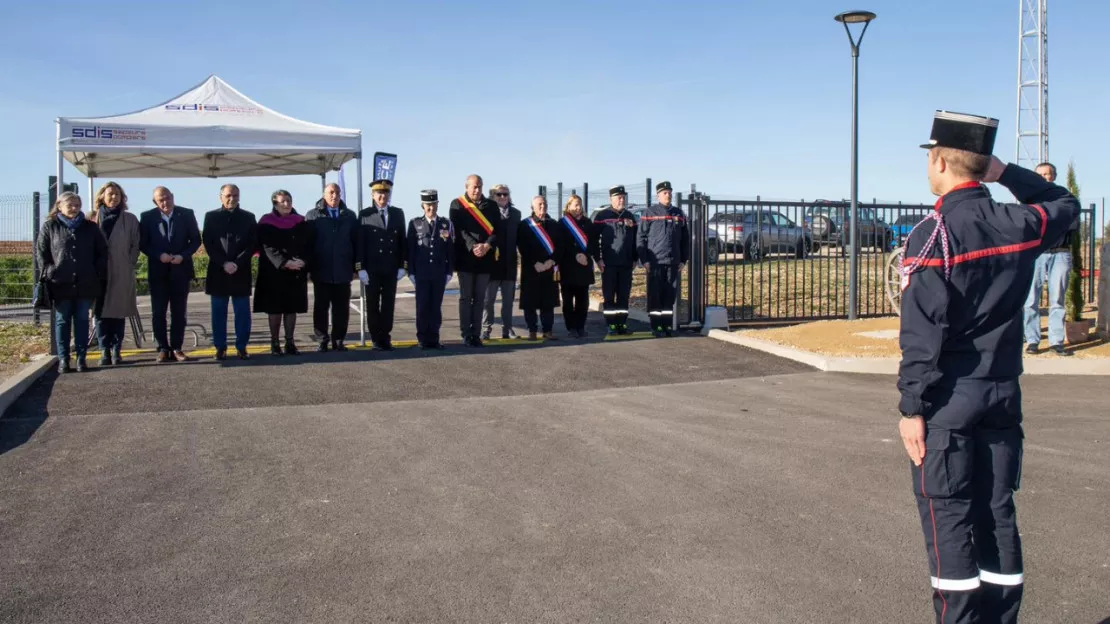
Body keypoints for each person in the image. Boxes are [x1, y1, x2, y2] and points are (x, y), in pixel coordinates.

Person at [897, 110, 1079, 624]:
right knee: (997, 514)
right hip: (1002, 396)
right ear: (982, 164)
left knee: (948, 517)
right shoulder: (1018, 224)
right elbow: (1066, 204)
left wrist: (911, 406)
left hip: (950, 403)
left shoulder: (933, 235)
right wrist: (1006, 174)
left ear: (939, 160)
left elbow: (922, 335)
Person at [36, 191, 108, 373]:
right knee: (62, 320)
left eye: (77, 205)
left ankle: (81, 358)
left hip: (86, 282)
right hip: (60, 283)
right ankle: (64, 359)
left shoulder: (90, 227)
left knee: (82, 320)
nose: (75, 209)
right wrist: (50, 271)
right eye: (71, 205)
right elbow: (41, 253)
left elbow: (102, 252)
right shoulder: (50, 227)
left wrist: (95, 270)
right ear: (59, 206)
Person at [139, 186, 201, 363]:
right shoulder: (147, 217)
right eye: (161, 200)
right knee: (158, 312)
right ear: (155, 202)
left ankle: (177, 348)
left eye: (167, 198)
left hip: (180, 270)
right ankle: (163, 348)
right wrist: (159, 255)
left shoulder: (186, 214)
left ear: (173, 197)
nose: (165, 202)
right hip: (158, 272)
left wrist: (183, 255)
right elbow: (143, 244)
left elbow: (196, 240)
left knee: (179, 313)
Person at [1022, 162, 1075, 356]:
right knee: (1030, 300)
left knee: (1057, 299)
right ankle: (1033, 340)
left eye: (1047, 174)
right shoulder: (1028, 200)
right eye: (1040, 174)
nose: (1044, 177)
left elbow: (1070, 224)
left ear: (1054, 176)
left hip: (1060, 252)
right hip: (1036, 254)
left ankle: (1056, 341)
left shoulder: (1064, 199)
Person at [203, 184, 258, 361]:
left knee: (242, 313)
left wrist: (237, 263)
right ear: (221, 197)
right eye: (228, 195)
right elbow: (209, 243)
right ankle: (220, 347)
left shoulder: (249, 217)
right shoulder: (211, 217)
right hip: (219, 272)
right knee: (219, 313)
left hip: (240, 271)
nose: (231, 199)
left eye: (235, 195)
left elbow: (252, 244)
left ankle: (242, 347)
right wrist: (224, 263)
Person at [254, 190, 312, 356]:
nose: (286, 204)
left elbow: (307, 244)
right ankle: (274, 343)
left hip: (295, 272)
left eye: (288, 200)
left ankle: (290, 342)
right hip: (274, 272)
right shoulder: (266, 222)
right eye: (282, 201)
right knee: (275, 309)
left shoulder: (300, 221)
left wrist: (302, 261)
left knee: (291, 308)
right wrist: (285, 262)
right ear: (275, 204)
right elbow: (266, 247)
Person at [91, 181, 140, 365]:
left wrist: (129, 262)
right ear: (102, 196)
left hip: (121, 271)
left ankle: (117, 350)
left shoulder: (130, 219)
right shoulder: (92, 219)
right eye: (110, 194)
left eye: (117, 194)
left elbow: (136, 244)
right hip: (99, 273)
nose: (114, 197)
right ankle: (104, 350)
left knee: (119, 313)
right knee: (101, 313)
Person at [305, 182, 358, 352]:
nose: (334, 196)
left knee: (341, 309)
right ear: (324, 194)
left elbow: (355, 242)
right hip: (321, 270)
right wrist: (309, 267)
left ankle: (339, 339)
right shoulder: (313, 215)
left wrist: (356, 267)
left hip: (343, 270)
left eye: (337, 192)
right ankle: (322, 339)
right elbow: (308, 243)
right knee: (320, 307)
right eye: (331, 192)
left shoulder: (349, 215)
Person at [449, 174, 500, 347]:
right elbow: (459, 230)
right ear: (466, 187)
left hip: (485, 259)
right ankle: (466, 333)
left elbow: (497, 230)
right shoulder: (457, 204)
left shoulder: (491, 206)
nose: (477, 190)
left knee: (480, 299)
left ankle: (476, 334)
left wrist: (486, 246)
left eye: (479, 186)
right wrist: (474, 246)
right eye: (474, 187)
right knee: (466, 298)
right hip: (466, 259)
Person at [356, 179, 407, 351]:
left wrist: (403, 265)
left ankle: (385, 336)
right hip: (372, 269)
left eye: (385, 193)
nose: (382, 196)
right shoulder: (365, 214)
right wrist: (360, 268)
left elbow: (402, 242)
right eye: (379, 193)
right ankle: (376, 338)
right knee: (372, 304)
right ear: (373, 195)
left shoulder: (398, 213)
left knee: (388, 304)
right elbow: (360, 243)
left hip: (391, 268)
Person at [637, 180, 689, 337]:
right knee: (655, 296)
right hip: (655, 263)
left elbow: (685, 239)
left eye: (670, 192)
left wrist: (683, 260)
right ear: (658, 195)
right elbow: (641, 238)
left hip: (673, 262)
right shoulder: (650, 213)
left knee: (669, 296)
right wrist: (644, 260)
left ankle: (667, 326)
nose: (668, 195)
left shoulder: (678, 214)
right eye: (665, 193)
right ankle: (656, 326)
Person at [407, 189, 454, 350]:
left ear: (437, 204)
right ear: (423, 205)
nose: (431, 208)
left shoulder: (445, 223)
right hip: (421, 273)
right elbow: (411, 250)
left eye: (433, 204)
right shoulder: (415, 224)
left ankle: (434, 338)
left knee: (435, 307)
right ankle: (422, 338)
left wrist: (449, 271)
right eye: (428, 205)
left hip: (438, 272)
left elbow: (450, 249)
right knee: (422, 307)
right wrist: (411, 272)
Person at [593, 185, 639, 335]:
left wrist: (635, 258)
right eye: (618, 197)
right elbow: (593, 240)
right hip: (609, 264)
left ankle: (621, 323)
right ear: (611, 199)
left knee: (624, 296)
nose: (621, 200)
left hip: (626, 264)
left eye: (623, 197)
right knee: (609, 295)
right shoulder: (602, 216)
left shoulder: (630, 216)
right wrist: (598, 259)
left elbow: (635, 240)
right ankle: (611, 324)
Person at [516, 196, 561, 341]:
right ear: (532, 207)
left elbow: (561, 246)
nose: (543, 206)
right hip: (532, 268)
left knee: (548, 302)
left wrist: (551, 261)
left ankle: (547, 330)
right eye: (539, 204)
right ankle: (532, 331)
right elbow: (522, 246)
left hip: (549, 267)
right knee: (530, 302)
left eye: (545, 204)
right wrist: (535, 262)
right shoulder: (525, 225)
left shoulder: (554, 224)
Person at [482, 183, 521, 340]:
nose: (503, 197)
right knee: (488, 300)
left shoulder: (516, 214)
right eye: (499, 194)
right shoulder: (487, 213)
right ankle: (486, 329)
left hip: (509, 264)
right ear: (493, 197)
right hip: (492, 264)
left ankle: (508, 329)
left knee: (508, 301)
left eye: (505, 194)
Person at [557, 194, 597, 338]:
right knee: (568, 300)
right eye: (575, 205)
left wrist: (586, 255)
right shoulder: (562, 223)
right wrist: (575, 254)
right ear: (568, 207)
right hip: (568, 266)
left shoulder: (588, 223)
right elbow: (561, 245)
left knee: (582, 300)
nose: (578, 207)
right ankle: (571, 327)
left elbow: (593, 243)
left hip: (584, 266)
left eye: (579, 204)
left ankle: (580, 326)